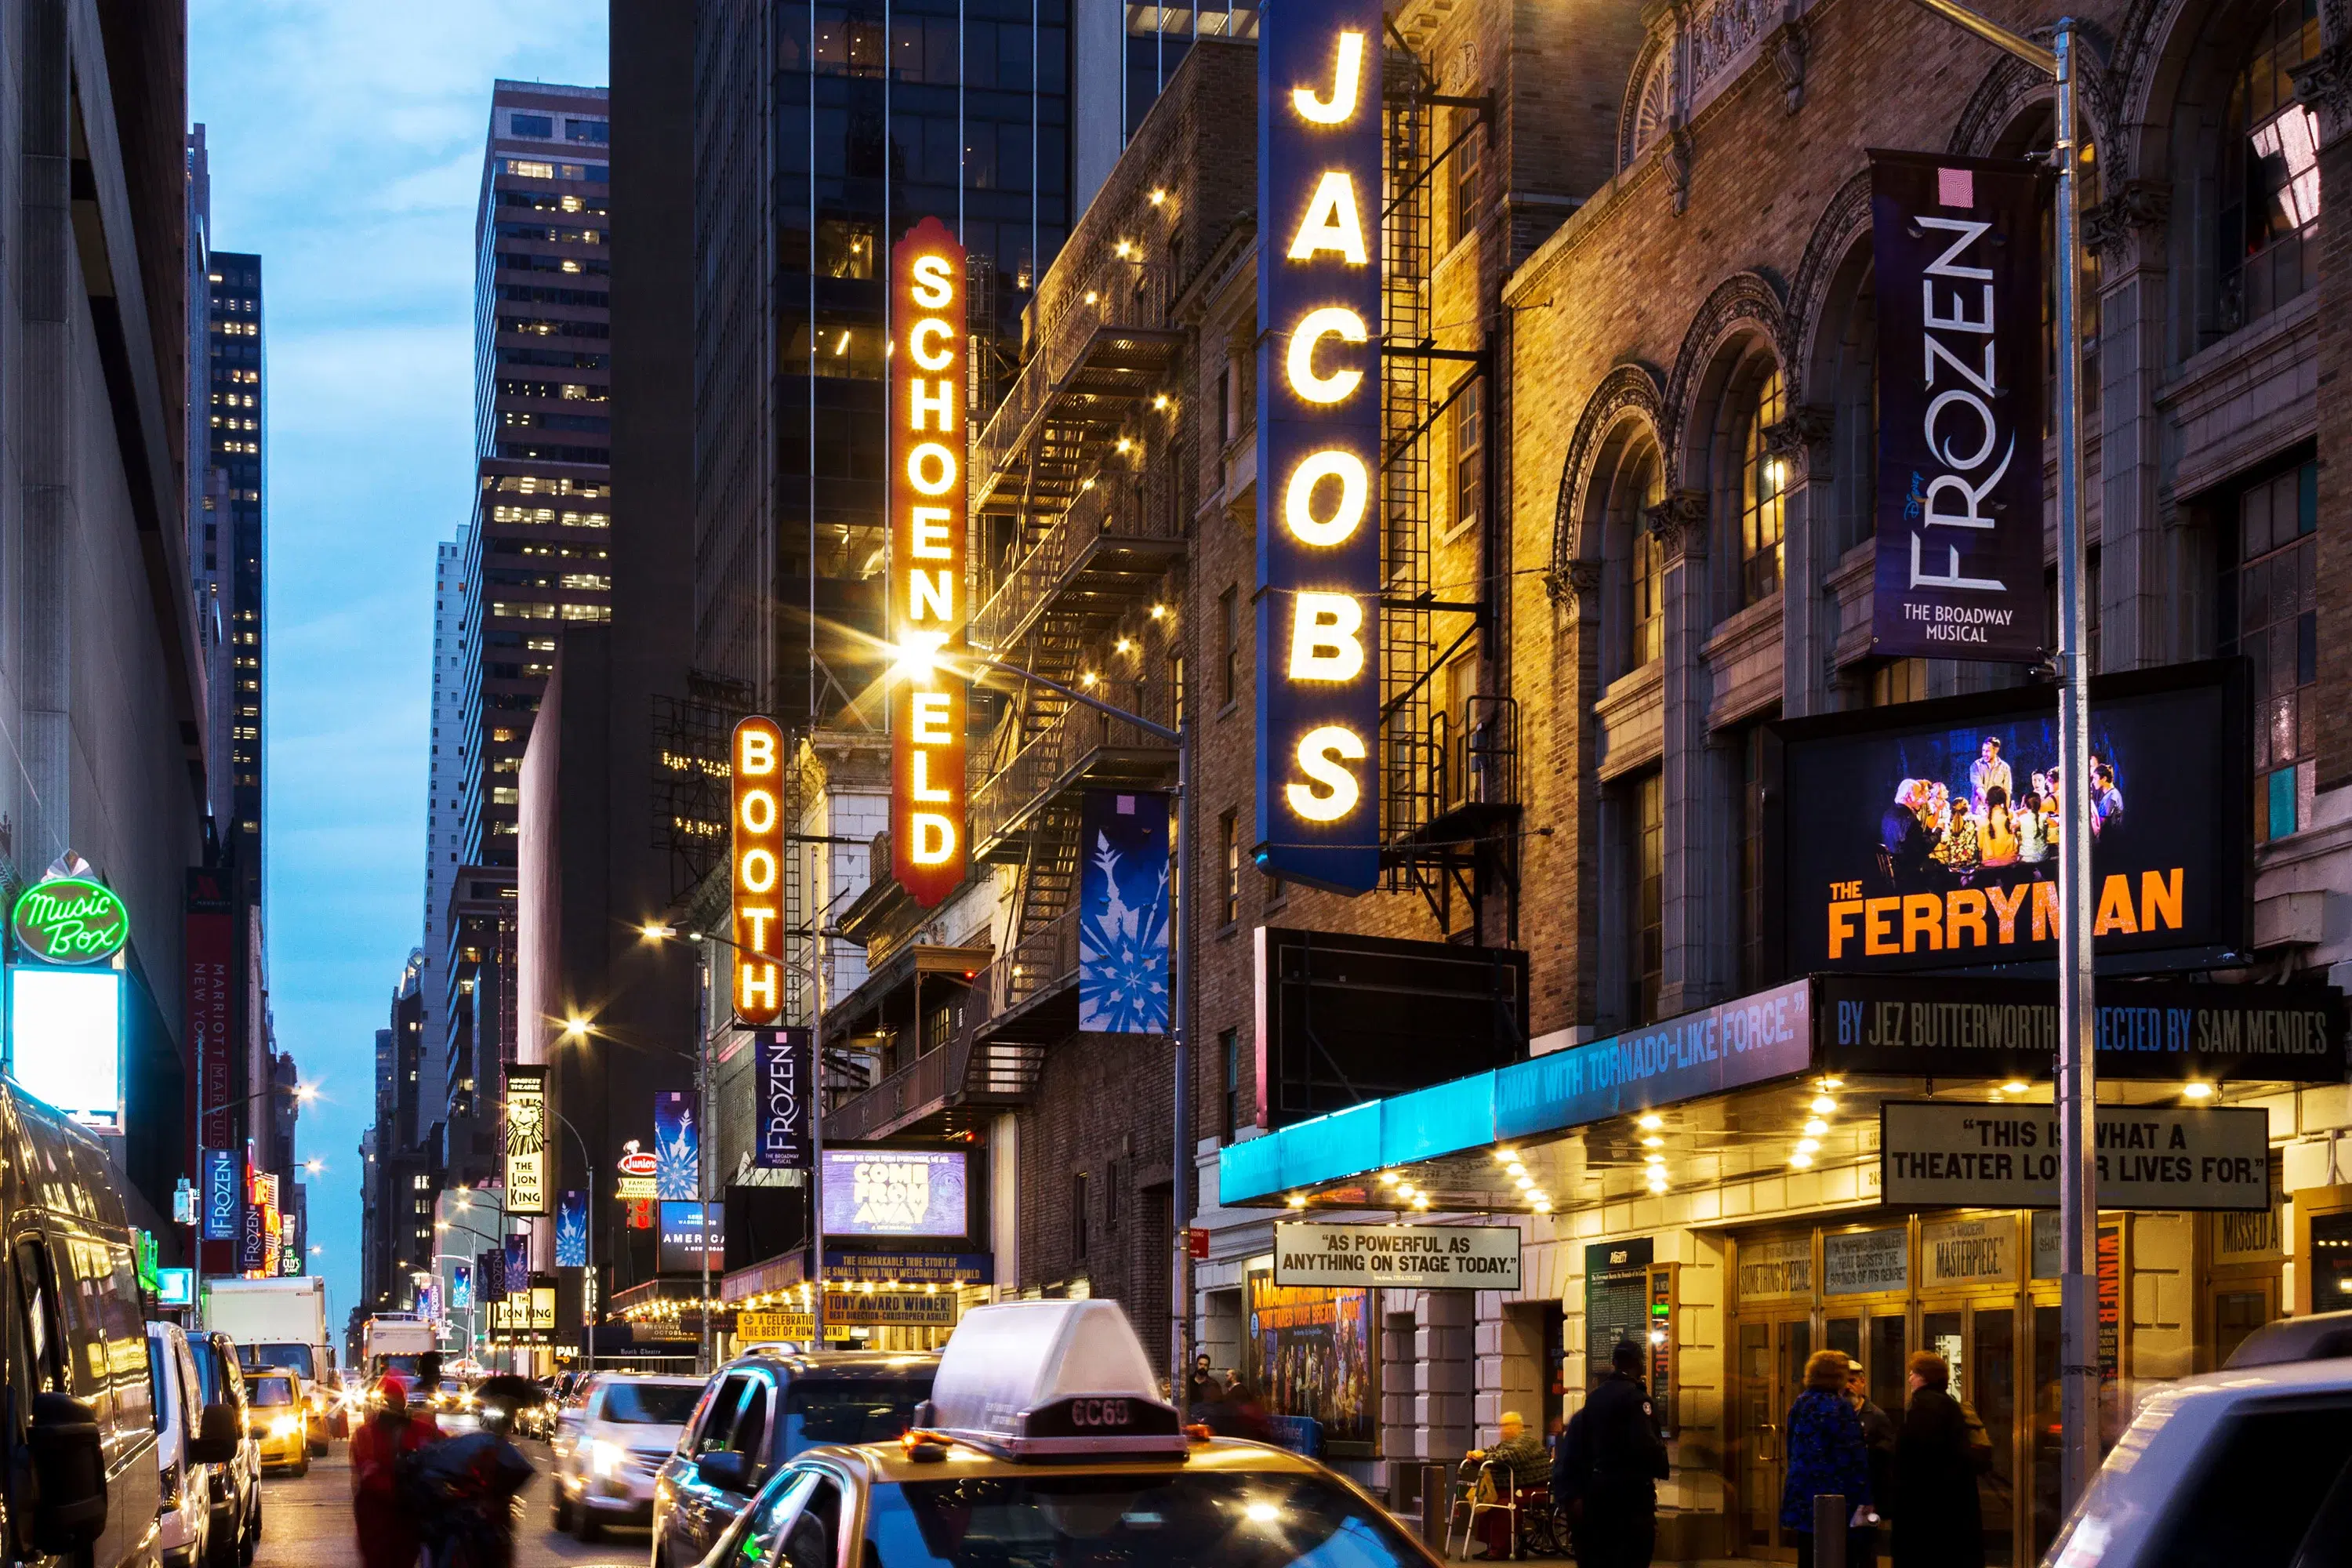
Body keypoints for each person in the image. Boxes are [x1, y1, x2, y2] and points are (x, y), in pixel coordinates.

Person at [1556, 1340, 1671, 1568]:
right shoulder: (1637, 1400)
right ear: (1639, 1364)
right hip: (1631, 1499)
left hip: (1597, 1497)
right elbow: (1648, 1446)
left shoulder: (1592, 1404)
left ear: (1613, 1363)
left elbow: (1572, 1456)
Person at [1780, 1350, 1871, 1568]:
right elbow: (1853, 1456)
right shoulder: (1840, 1408)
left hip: (1803, 1494)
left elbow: (1791, 1445)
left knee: (1808, 1553)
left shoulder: (1801, 1403)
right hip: (1835, 1497)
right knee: (1838, 1554)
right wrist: (1865, 1497)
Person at [1894, 1352, 1984, 1568]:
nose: (1909, 1379)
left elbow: (1918, 1457)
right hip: (1953, 1502)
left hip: (1928, 1506)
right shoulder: (1947, 1403)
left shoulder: (1924, 1407)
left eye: (1913, 1373)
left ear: (1924, 1376)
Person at [351, 1373, 437, 1568]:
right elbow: (368, 1474)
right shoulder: (367, 1434)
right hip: (383, 1515)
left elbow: (445, 1450)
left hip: (406, 1512)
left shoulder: (419, 1429)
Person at [1466, 1410, 1551, 1559]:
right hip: (1512, 1488)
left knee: (1503, 1506)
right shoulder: (1507, 1443)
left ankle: (1501, 1550)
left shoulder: (1526, 1442)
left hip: (1531, 1489)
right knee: (1486, 1504)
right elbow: (1494, 1451)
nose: (1502, 1429)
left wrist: (1483, 1456)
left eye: (1506, 1425)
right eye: (1502, 1425)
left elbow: (1509, 1457)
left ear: (1517, 1426)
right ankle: (1491, 1547)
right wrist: (1475, 1455)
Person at [1846, 1363, 1898, 1568]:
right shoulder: (1837, 1414)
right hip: (1844, 1493)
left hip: (1866, 1494)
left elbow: (1887, 1456)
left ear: (1862, 1383)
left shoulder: (1876, 1416)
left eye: (1852, 1381)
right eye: (1844, 1382)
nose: (1848, 1387)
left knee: (1865, 1546)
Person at [1978, 786, 2019, 869]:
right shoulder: (2011, 815)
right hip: (2010, 860)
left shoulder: (1983, 820)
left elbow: (1980, 845)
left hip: (1989, 863)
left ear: (1988, 800)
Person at [1968, 738, 2012, 812]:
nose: (1984, 754)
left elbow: (2007, 791)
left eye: (1988, 751)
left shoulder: (2005, 767)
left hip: (1997, 810)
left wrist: (2005, 810)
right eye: (1983, 750)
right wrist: (1989, 805)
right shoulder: (1976, 765)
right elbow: (1978, 788)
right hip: (1980, 810)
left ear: (1996, 750)